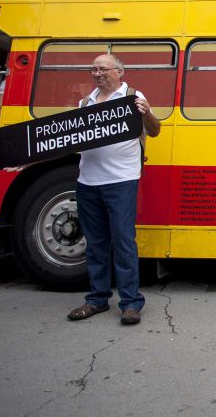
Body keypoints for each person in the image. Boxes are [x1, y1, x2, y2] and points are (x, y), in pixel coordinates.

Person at [67, 54, 160, 325]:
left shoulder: (133, 97)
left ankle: (131, 304)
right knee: (96, 244)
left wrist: (148, 113)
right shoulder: (85, 103)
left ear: (119, 72)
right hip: (88, 181)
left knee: (122, 242)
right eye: (93, 70)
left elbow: (155, 131)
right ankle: (96, 299)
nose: (98, 74)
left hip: (121, 180)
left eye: (103, 69)